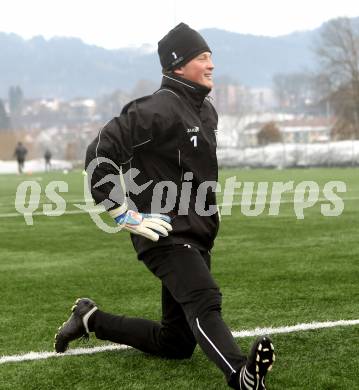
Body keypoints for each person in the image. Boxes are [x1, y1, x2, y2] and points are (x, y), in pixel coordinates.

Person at [54, 23, 275, 389]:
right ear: (177, 65)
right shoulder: (156, 109)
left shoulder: (207, 113)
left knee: (176, 343)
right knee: (205, 298)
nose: (211, 64)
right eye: (202, 57)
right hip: (164, 234)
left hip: (198, 233)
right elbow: (100, 152)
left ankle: (90, 319)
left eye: (211, 57)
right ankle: (240, 376)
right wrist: (121, 211)